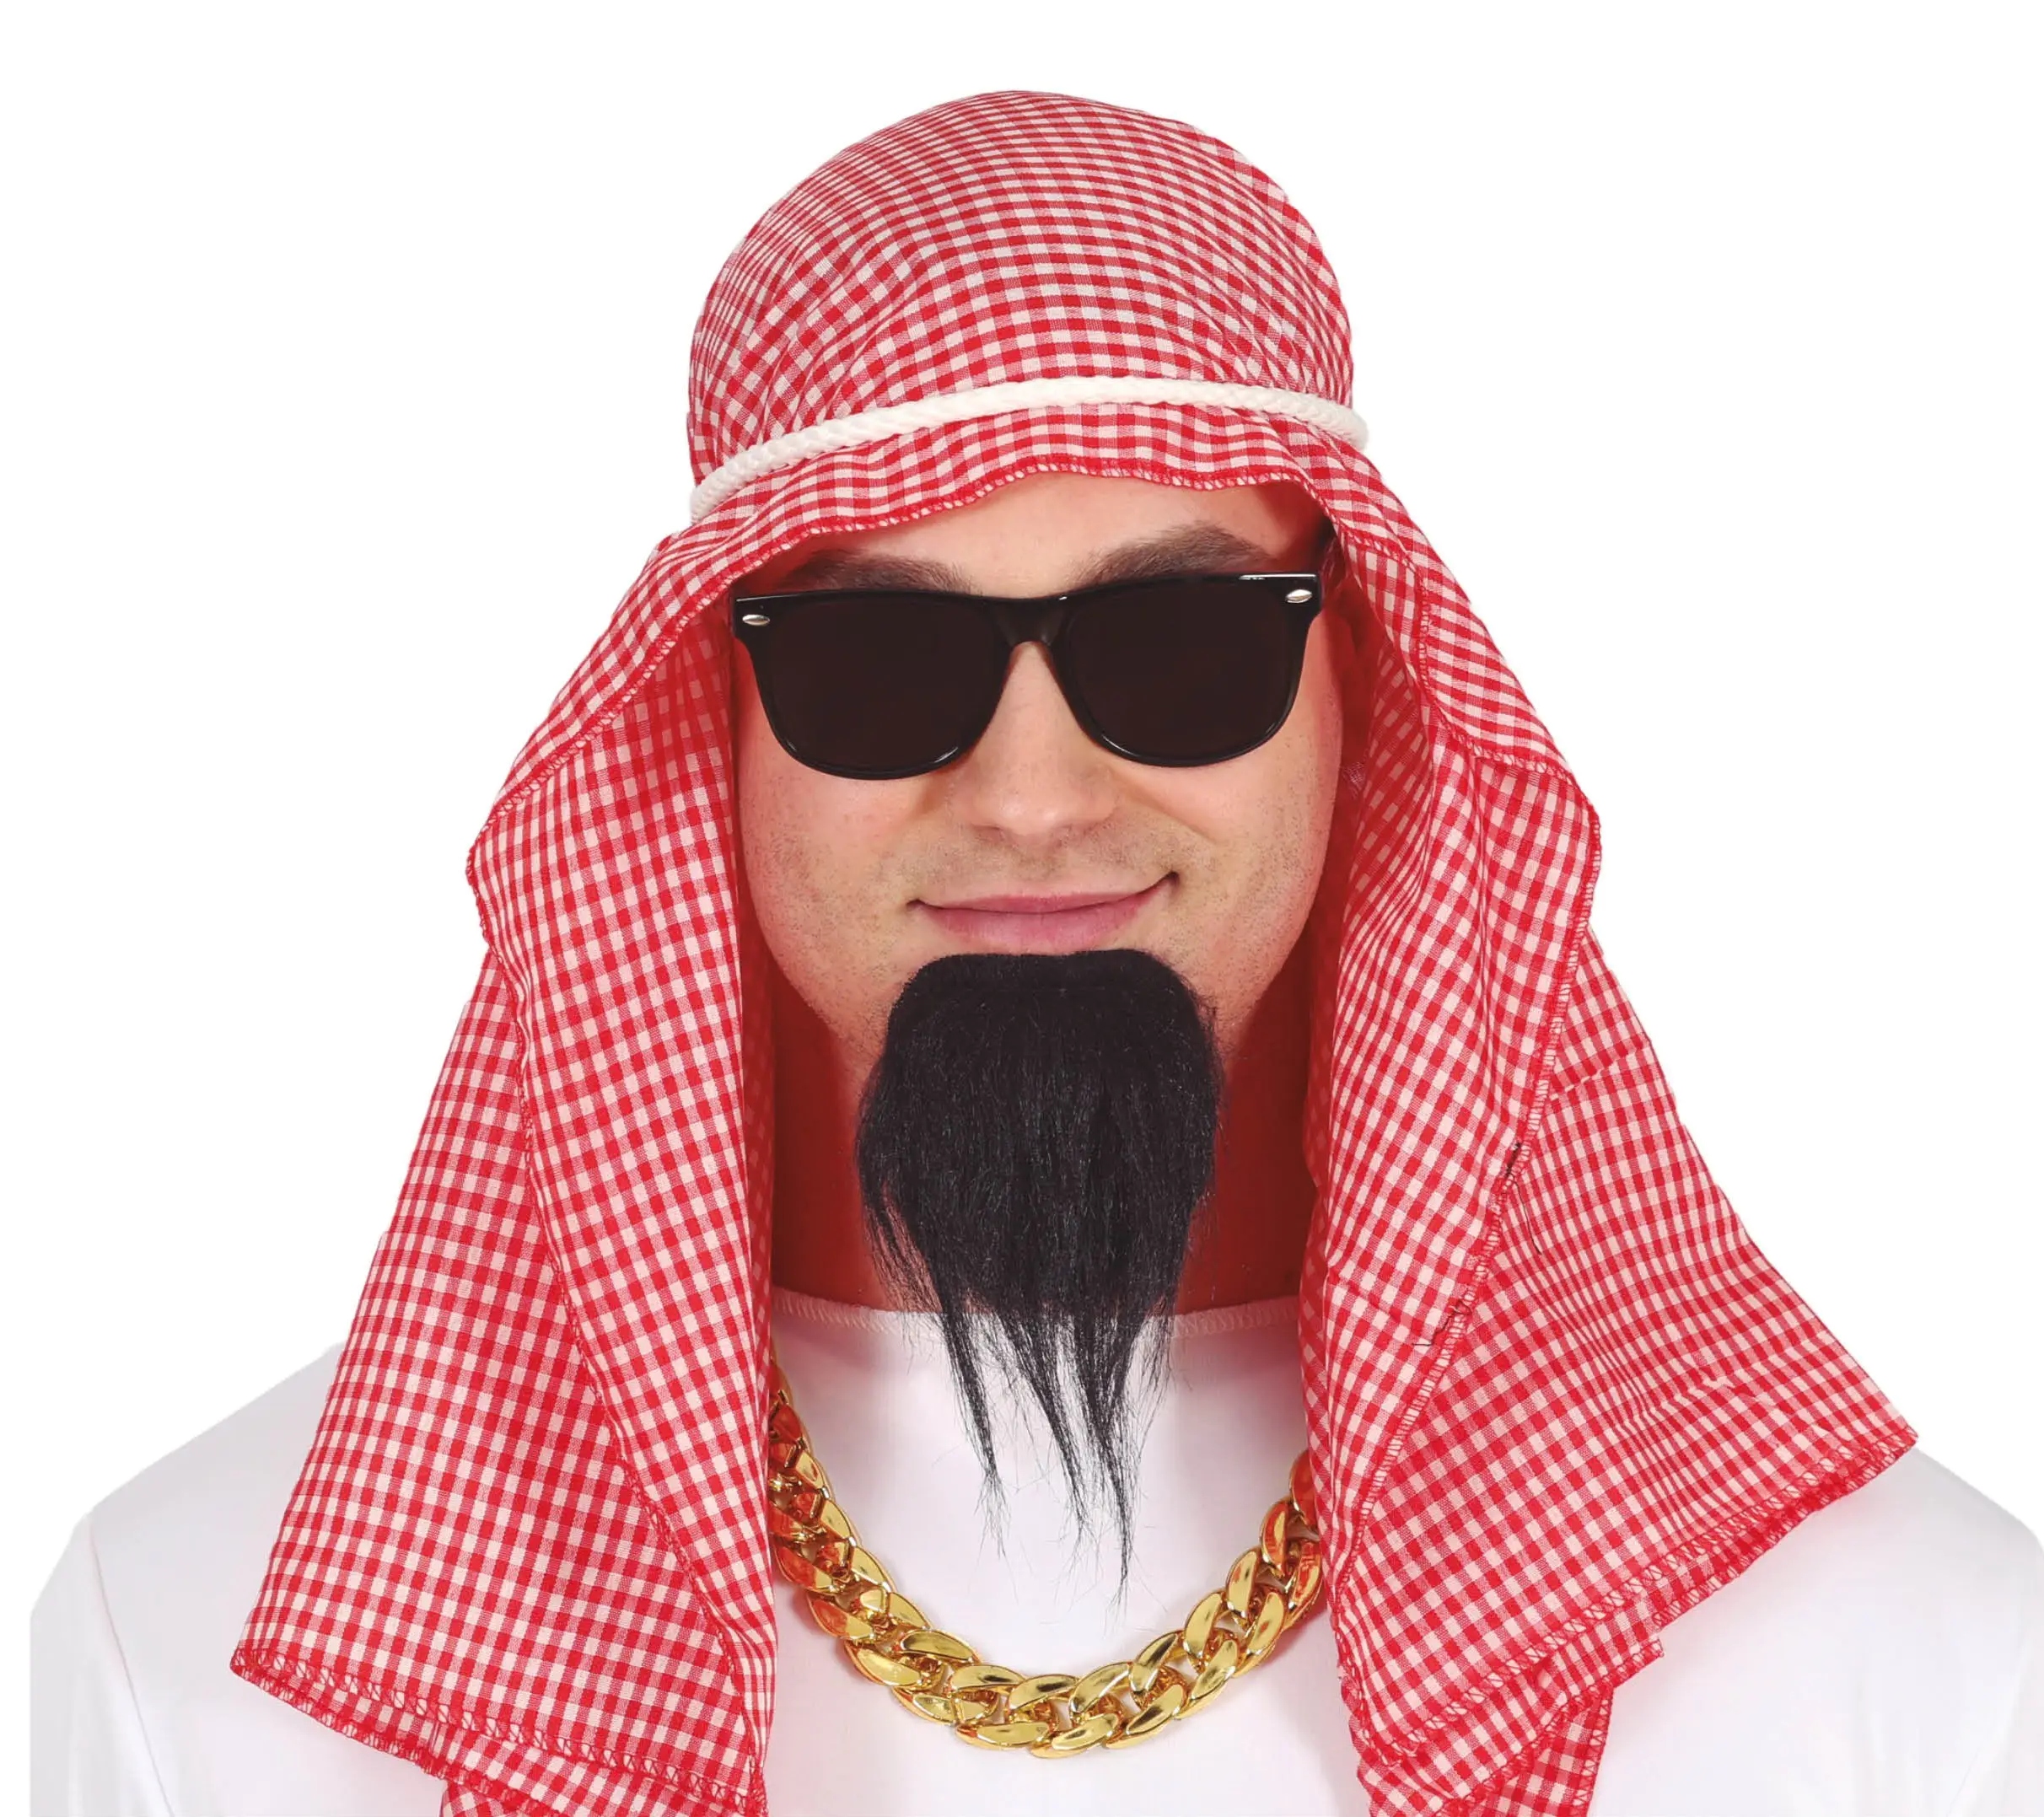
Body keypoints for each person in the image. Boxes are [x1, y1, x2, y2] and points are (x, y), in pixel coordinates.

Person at [30, 89, 2044, 1817]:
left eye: (1178, 646)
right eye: (875, 658)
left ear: (1360, 696)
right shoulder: (209, 1647)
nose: (1030, 796)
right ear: (710, 732)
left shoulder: (1899, 1656)